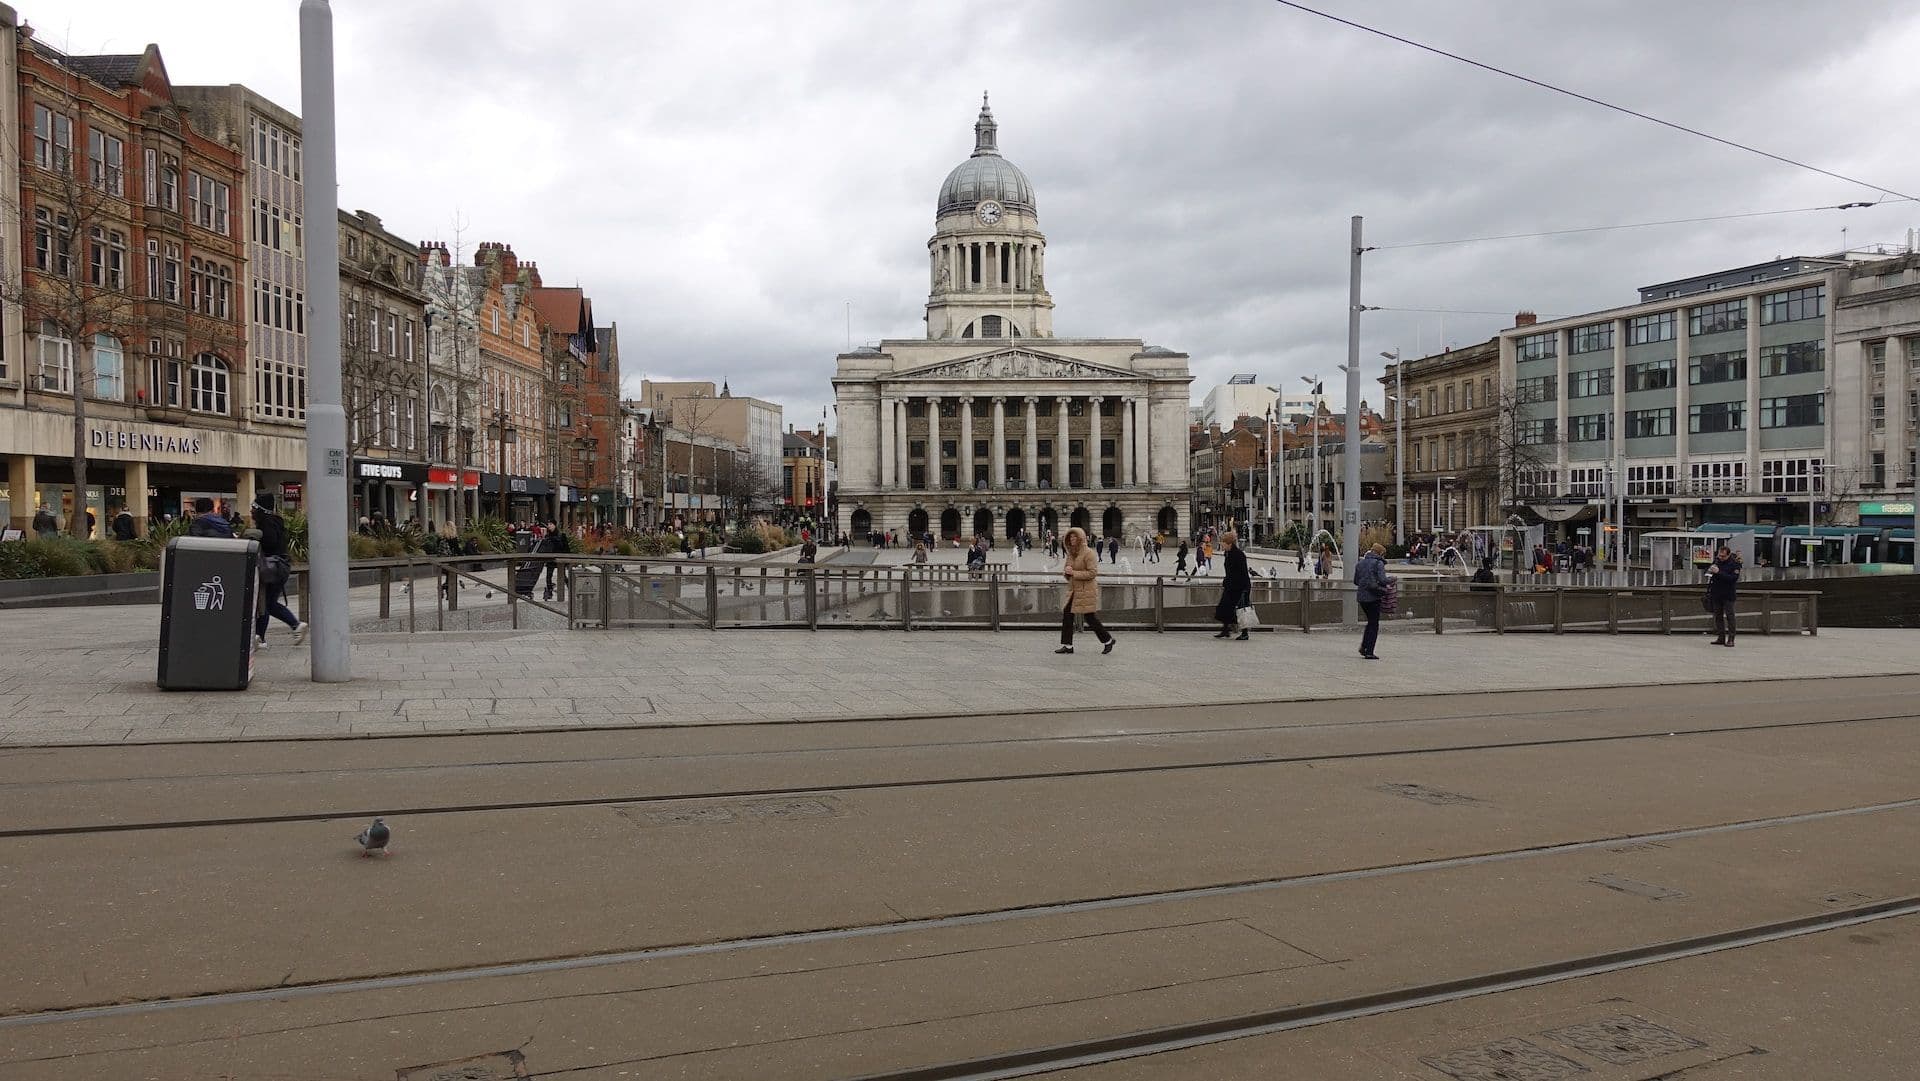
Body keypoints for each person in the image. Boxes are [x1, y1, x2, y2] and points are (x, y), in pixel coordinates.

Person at [249, 494, 306, 647]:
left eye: (253, 508)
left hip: (271, 568)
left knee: (264, 604)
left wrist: (255, 540)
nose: (251, 511)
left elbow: (269, 542)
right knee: (270, 603)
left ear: (260, 510)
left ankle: (260, 638)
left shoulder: (266, 524)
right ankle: (295, 625)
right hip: (279, 568)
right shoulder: (275, 522)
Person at [1056, 526, 1114, 656]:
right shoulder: (1071, 553)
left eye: (1075, 537)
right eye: (1070, 537)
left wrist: (1074, 573)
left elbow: (1092, 573)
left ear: (1081, 538)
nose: (1072, 539)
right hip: (1074, 591)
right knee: (1067, 614)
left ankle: (1108, 640)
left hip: (1086, 591)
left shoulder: (1089, 553)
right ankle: (1068, 645)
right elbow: (1068, 571)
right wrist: (1067, 573)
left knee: (1090, 617)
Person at [1354, 542, 1394, 660]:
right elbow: (1382, 580)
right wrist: (1391, 579)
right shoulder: (1378, 563)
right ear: (1380, 553)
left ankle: (1364, 646)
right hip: (1373, 596)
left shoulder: (1360, 563)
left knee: (1370, 622)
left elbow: (1356, 581)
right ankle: (1369, 651)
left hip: (1362, 598)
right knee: (1374, 624)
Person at [1212, 529, 1253, 641]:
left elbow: (1242, 573)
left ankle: (1245, 633)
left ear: (1229, 543)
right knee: (1224, 607)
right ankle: (1225, 629)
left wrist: (1243, 588)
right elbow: (1229, 571)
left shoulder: (1238, 555)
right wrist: (1227, 581)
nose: (1221, 544)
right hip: (1231, 586)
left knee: (1241, 610)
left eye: (1223, 543)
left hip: (1240, 587)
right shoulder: (1228, 553)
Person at [1707, 543, 1742, 647]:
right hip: (1717, 593)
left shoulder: (1734, 564)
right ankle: (1721, 637)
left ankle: (1731, 638)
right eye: (1719, 555)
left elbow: (1732, 579)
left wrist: (1719, 572)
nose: (1720, 558)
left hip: (1728, 594)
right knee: (1718, 616)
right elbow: (1709, 573)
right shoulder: (1716, 561)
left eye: (1723, 556)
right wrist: (1710, 571)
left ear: (1728, 555)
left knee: (1730, 616)